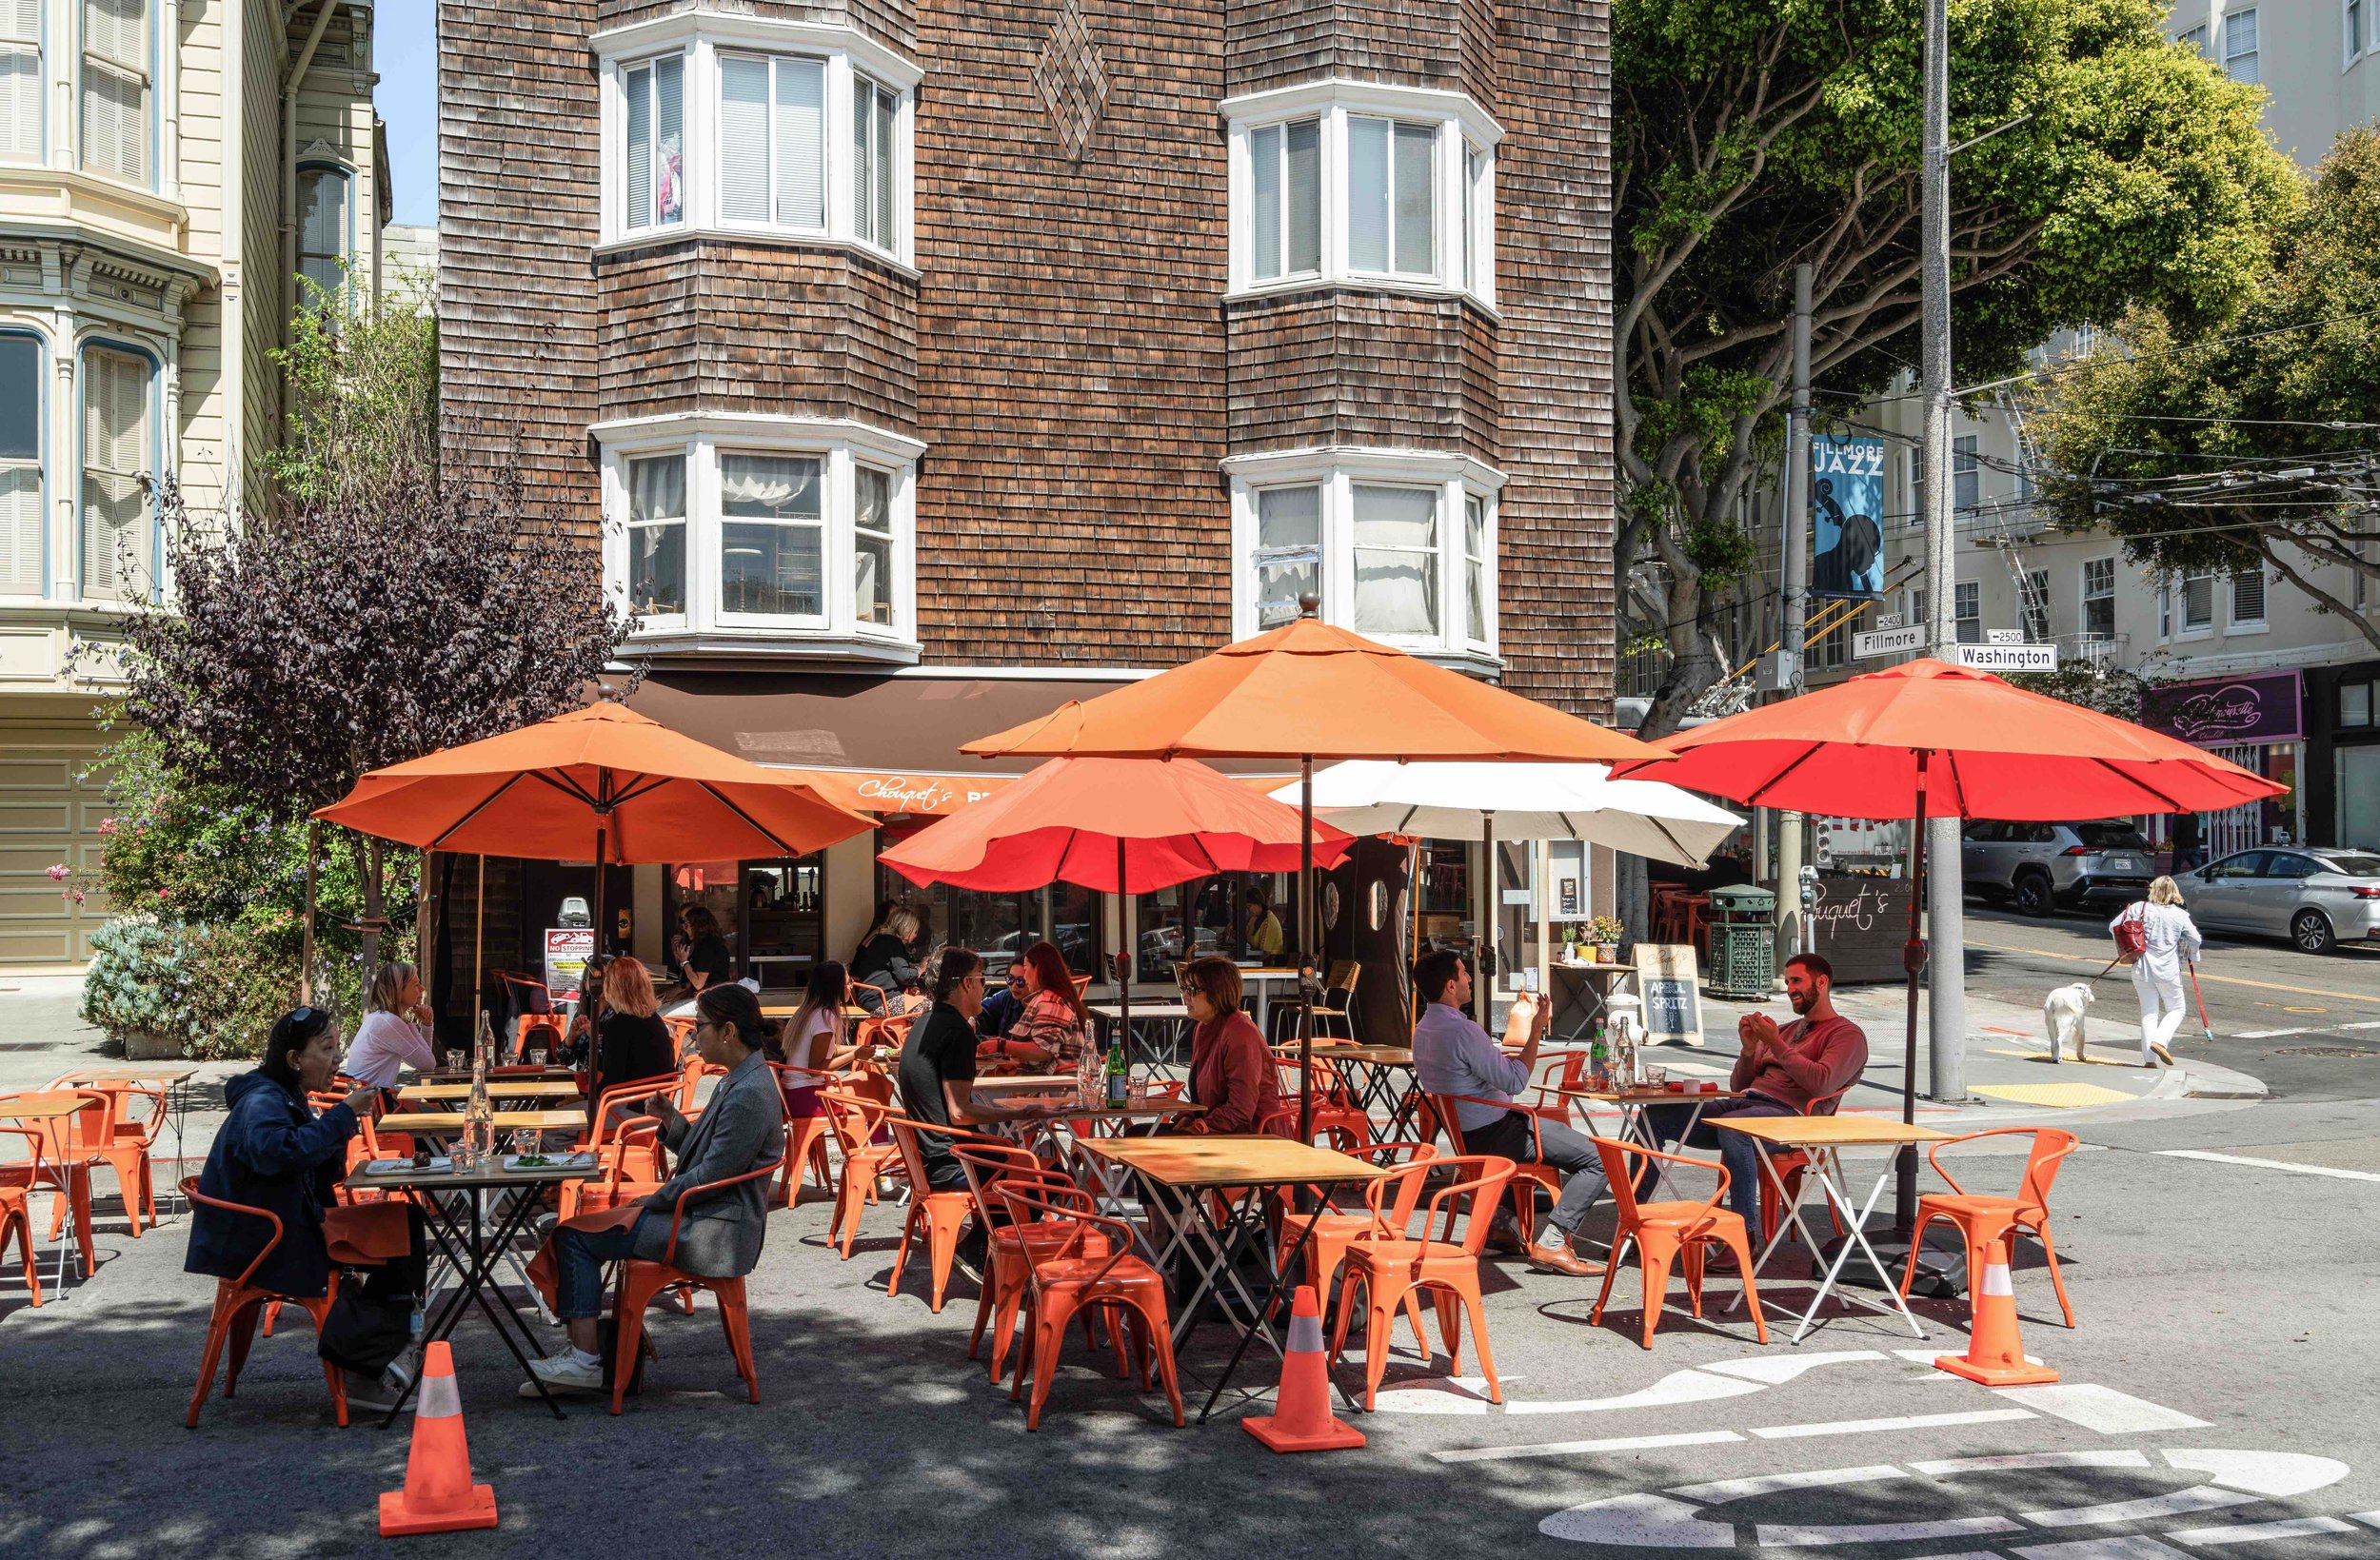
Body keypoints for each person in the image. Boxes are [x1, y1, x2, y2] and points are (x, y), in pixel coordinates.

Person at [529, 982, 786, 1395]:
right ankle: (585, 1352)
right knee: (580, 1228)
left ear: (727, 1032)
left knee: (576, 1236)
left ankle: (585, 1359)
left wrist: (652, 1201)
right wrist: (672, 1120)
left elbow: (708, 1178)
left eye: (700, 1026)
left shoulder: (749, 1094)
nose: (693, 1035)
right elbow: (708, 1160)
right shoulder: (742, 1079)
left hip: (713, 1232)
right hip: (705, 1217)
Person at [186, 1006, 425, 1410]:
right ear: (295, 1059)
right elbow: (275, 1153)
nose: (336, 1058)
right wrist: (343, 1117)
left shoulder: (286, 1095)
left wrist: (337, 1127)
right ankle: (364, 1366)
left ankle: (370, 1359)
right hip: (267, 1242)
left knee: (403, 1221)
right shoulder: (262, 1101)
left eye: (338, 1048)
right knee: (399, 1236)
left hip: (284, 1223)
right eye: (327, 1048)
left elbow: (314, 1166)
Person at [1640, 953, 1868, 1255]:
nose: (1789, 989)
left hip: (1792, 1118)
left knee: (1735, 1130)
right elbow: (1739, 1086)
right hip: (1747, 1104)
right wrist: (1749, 1050)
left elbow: (1822, 1082)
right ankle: (1637, 1221)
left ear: (1822, 982)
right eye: (1787, 982)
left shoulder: (1846, 1034)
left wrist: (1775, 1044)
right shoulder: (1787, 1030)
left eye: (1797, 981)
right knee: (1654, 1117)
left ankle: (1741, 1240)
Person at [1410, 950, 1605, 1277]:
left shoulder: (1423, 1030)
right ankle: (1554, 1242)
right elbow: (1515, 1080)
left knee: (1535, 1128)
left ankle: (1501, 1225)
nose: (1469, 978)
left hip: (1466, 1138)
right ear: (1450, 986)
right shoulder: (1463, 1031)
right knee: (1597, 1158)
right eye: (1463, 973)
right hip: (1497, 1133)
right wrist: (1536, 1030)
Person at [896, 947, 1064, 1191]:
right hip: (956, 1162)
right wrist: (1022, 1113)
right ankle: (992, 1231)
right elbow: (960, 1112)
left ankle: (993, 1229)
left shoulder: (924, 1023)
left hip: (929, 1161)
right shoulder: (957, 1032)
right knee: (1053, 1178)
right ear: (966, 983)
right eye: (982, 979)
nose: (984, 987)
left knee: (1020, 1161)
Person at [1175, 957, 1281, 1135]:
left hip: (1251, 1136)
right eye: (1184, 988)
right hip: (1217, 1128)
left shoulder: (1240, 1033)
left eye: (1192, 990)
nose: (1185, 996)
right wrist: (1189, 1116)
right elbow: (1203, 1097)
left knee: (1141, 1139)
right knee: (1138, 1135)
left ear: (1217, 992)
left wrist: (1200, 1126)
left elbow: (1241, 1109)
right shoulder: (1203, 1028)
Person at [2113, 877, 2201, 1068]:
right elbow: (2195, 939)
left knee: (2149, 1013)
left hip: (2141, 967)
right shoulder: (2180, 915)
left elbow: (2113, 926)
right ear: (2174, 892)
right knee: (2177, 1009)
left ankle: (2149, 1061)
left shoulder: (2139, 908)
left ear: (2153, 890)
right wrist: (2191, 955)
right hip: (2168, 970)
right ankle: (2160, 1041)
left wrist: (2127, 947)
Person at [585, 956, 677, 1127]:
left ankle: (583, 1154)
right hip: (656, 1108)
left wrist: (581, 1096)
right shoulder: (653, 1019)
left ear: (613, 987)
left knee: (551, 1129)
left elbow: (611, 1083)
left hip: (631, 1109)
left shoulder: (621, 1024)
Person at [772, 961, 860, 1119]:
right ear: (837, 987)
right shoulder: (825, 1016)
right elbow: (816, 1068)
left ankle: (868, 1142)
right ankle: (879, 1143)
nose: (851, 986)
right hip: (809, 1097)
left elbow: (826, 1049)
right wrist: (856, 1055)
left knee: (867, 1084)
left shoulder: (806, 1011)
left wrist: (860, 1048)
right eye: (849, 982)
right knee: (874, 1088)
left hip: (793, 1094)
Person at [987, 941, 1089, 1069]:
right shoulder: (1047, 998)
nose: (1024, 976)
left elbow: (1043, 1050)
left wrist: (1001, 1045)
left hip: (1054, 1086)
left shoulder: (1051, 1001)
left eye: (1025, 969)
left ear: (1038, 969)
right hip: (1046, 1084)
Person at [344, 962, 437, 1090]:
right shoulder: (389, 1022)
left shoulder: (379, 1017)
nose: (422, 988)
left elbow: (420, 1060)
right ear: (398, 990)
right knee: (435, 1109)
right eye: (415, 984)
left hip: (364, 1097)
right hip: (371, 1103)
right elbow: (428, 1064)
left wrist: (426, 1025)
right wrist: (412, 1025)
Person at [852, 906, 923, 1014]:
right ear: (906, 928)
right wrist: (920, 969)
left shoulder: (882, 940)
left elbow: (890, 973)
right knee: (929, 1008)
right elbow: (903, 975)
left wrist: (910, 986)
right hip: (881, 1001)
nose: (916, 935)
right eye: (915, 931)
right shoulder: (892, 943)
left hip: (872, 999)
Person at [675, 905, 732, 996]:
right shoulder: (706, 943)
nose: (685, 928)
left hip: (712, 998)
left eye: (688, 924)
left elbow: (698, 983)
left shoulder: (707, 947)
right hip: (710, 995)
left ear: (698, 926)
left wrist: (685, 961)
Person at [979, 966, 1028, 1038]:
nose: (1014, 986)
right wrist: (972, 1019)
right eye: (1010, 979)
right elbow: (982, 1010)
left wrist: (1002, 1045)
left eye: (1021, 981)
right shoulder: (1006, 997)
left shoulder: (1044, 1005)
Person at [1243, 886, 1286, 958]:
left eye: (1249, 906)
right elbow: (1246, 936)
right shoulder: (1253, 918)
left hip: (1271, 963)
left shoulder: (1270, 921)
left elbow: (1265, 953)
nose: (1248, 910)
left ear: (1259, 904)